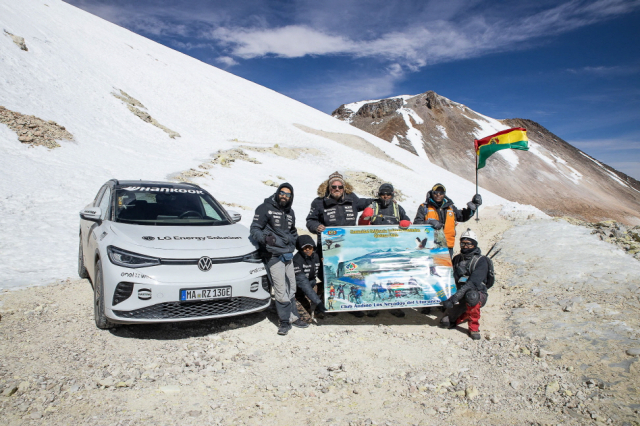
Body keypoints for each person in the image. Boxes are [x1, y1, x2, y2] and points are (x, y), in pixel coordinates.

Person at [306, 171, 373, 317]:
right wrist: (316, 226)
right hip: (328, 247)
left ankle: (351, 305)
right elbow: (310, 220)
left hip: (349, 247)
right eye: (333, 187)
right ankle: (332, 304)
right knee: (329, 276)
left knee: (351, 274)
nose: (337, 189)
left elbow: (369, 202)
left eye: (340, 186)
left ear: (344, 187)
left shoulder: (353, 199)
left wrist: (384, 200)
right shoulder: (319, 202)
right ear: (328, 188)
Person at [250, 183, 308, 336]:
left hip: (287, 254)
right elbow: (255, 228)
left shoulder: (290, 213)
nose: (284, 196)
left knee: (292, 287)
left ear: (291, 197)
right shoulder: (264, 208)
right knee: (281, 288)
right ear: (277, 193)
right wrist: (265, 239)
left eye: (288, 195)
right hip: (273, 255)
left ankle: (294, 317)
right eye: (282, 193)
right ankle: (284, 322)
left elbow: (292, 231)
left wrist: (293, 242)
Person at [358, 183, 412, 318]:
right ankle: (374, 306)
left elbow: (406, 219)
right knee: (376, 278)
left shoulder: (397, 208)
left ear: (392, 194)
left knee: (394, 277)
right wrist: (365, 217)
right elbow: (361, 226)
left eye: (388, 194)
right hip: (375, 249)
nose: (385, 196)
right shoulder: (372, 207)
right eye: (383, 194)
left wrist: (406, 221)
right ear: (379, 194)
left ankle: (395, 305)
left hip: (393, 249)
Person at [439, 229, 490, 340]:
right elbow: (450, 279)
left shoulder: (482, 261)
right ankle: (465, 313)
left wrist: (452, 300)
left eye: (469, 244)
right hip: (460, 295)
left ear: (474, 244)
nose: (465, 246)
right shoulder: (457, 258)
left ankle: (474, 328)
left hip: (477, 294)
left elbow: (472, 283)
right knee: (445, 322)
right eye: (463, 243)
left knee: (471, 296)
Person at [413, 183, 481, 258]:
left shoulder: (450, 207)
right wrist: (429, 222)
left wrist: (471, 209)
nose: (438, 194)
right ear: (432, 193)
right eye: (436, 192)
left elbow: (462, 217)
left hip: (448, 247)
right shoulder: (424, 207)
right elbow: (416, 224)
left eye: (441, 193)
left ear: (444, 194)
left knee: (444, 270)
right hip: (430, 245)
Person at [293, 235, 328, 319]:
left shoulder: (316, 256)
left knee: (327, 286)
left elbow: (324, 275)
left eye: (309, 247)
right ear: (300, 249)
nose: (307, 250)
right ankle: (298, 304)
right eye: (304, 248)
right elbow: (304, 284)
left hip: (311, 285)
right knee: (307, 319)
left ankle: (319, 310)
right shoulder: (296, 260)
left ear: (313, 247)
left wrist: (326, 263)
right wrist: (318, 302)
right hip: (298, 292)